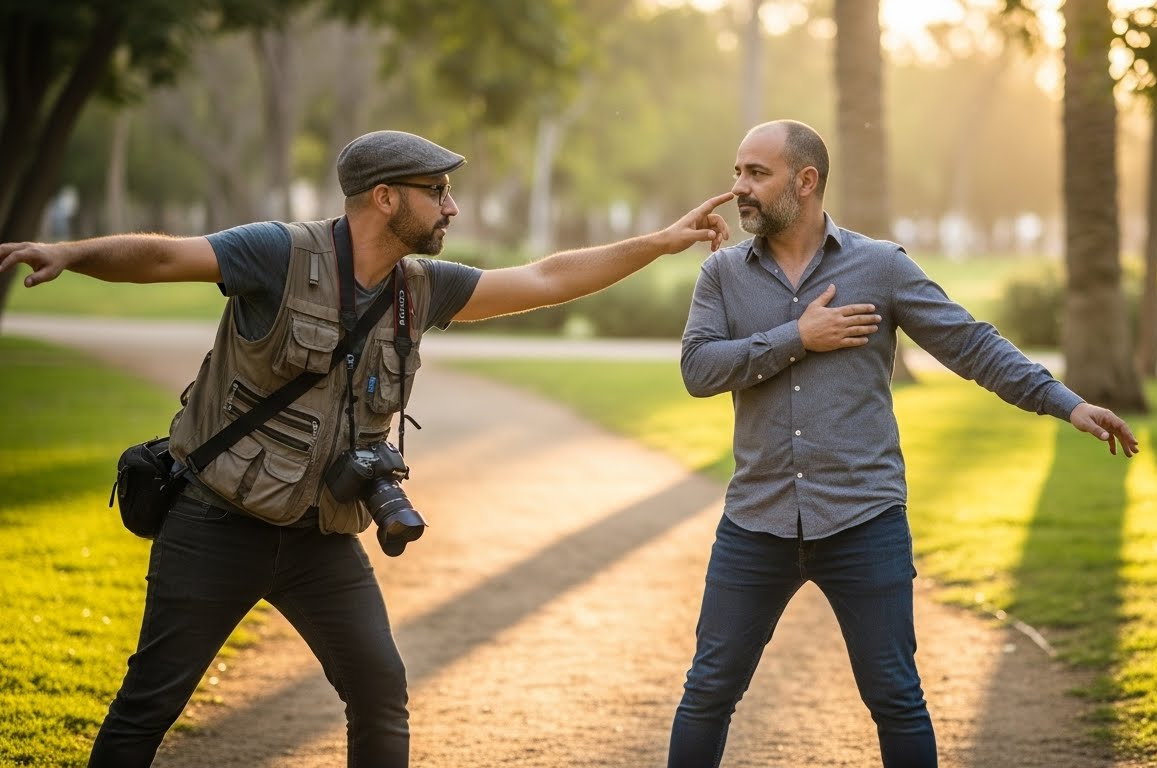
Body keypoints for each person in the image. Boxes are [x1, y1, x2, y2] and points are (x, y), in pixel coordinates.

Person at [0, 129, 732, 768]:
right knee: (148, 706)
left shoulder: (421, 288)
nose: (451, 207)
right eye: (436, 192)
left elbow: (543, 279)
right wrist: (70, 251)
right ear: (384, 198)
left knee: (380, 694)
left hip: (320, 538)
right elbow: (162, 258)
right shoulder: (276, 254)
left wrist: (660, 242)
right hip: (215, 522)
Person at [668, 119, 1139, 767]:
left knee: (895, 697)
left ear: (805, 182)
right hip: (756, 523)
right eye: (737, 172)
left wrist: (1067, 403)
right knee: (707, 693)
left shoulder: (879, 267)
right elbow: (698, 371)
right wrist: (795, 338)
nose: (738, 189)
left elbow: (970, 345)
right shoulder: (722, 274)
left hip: (863, 522)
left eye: (755, 174)